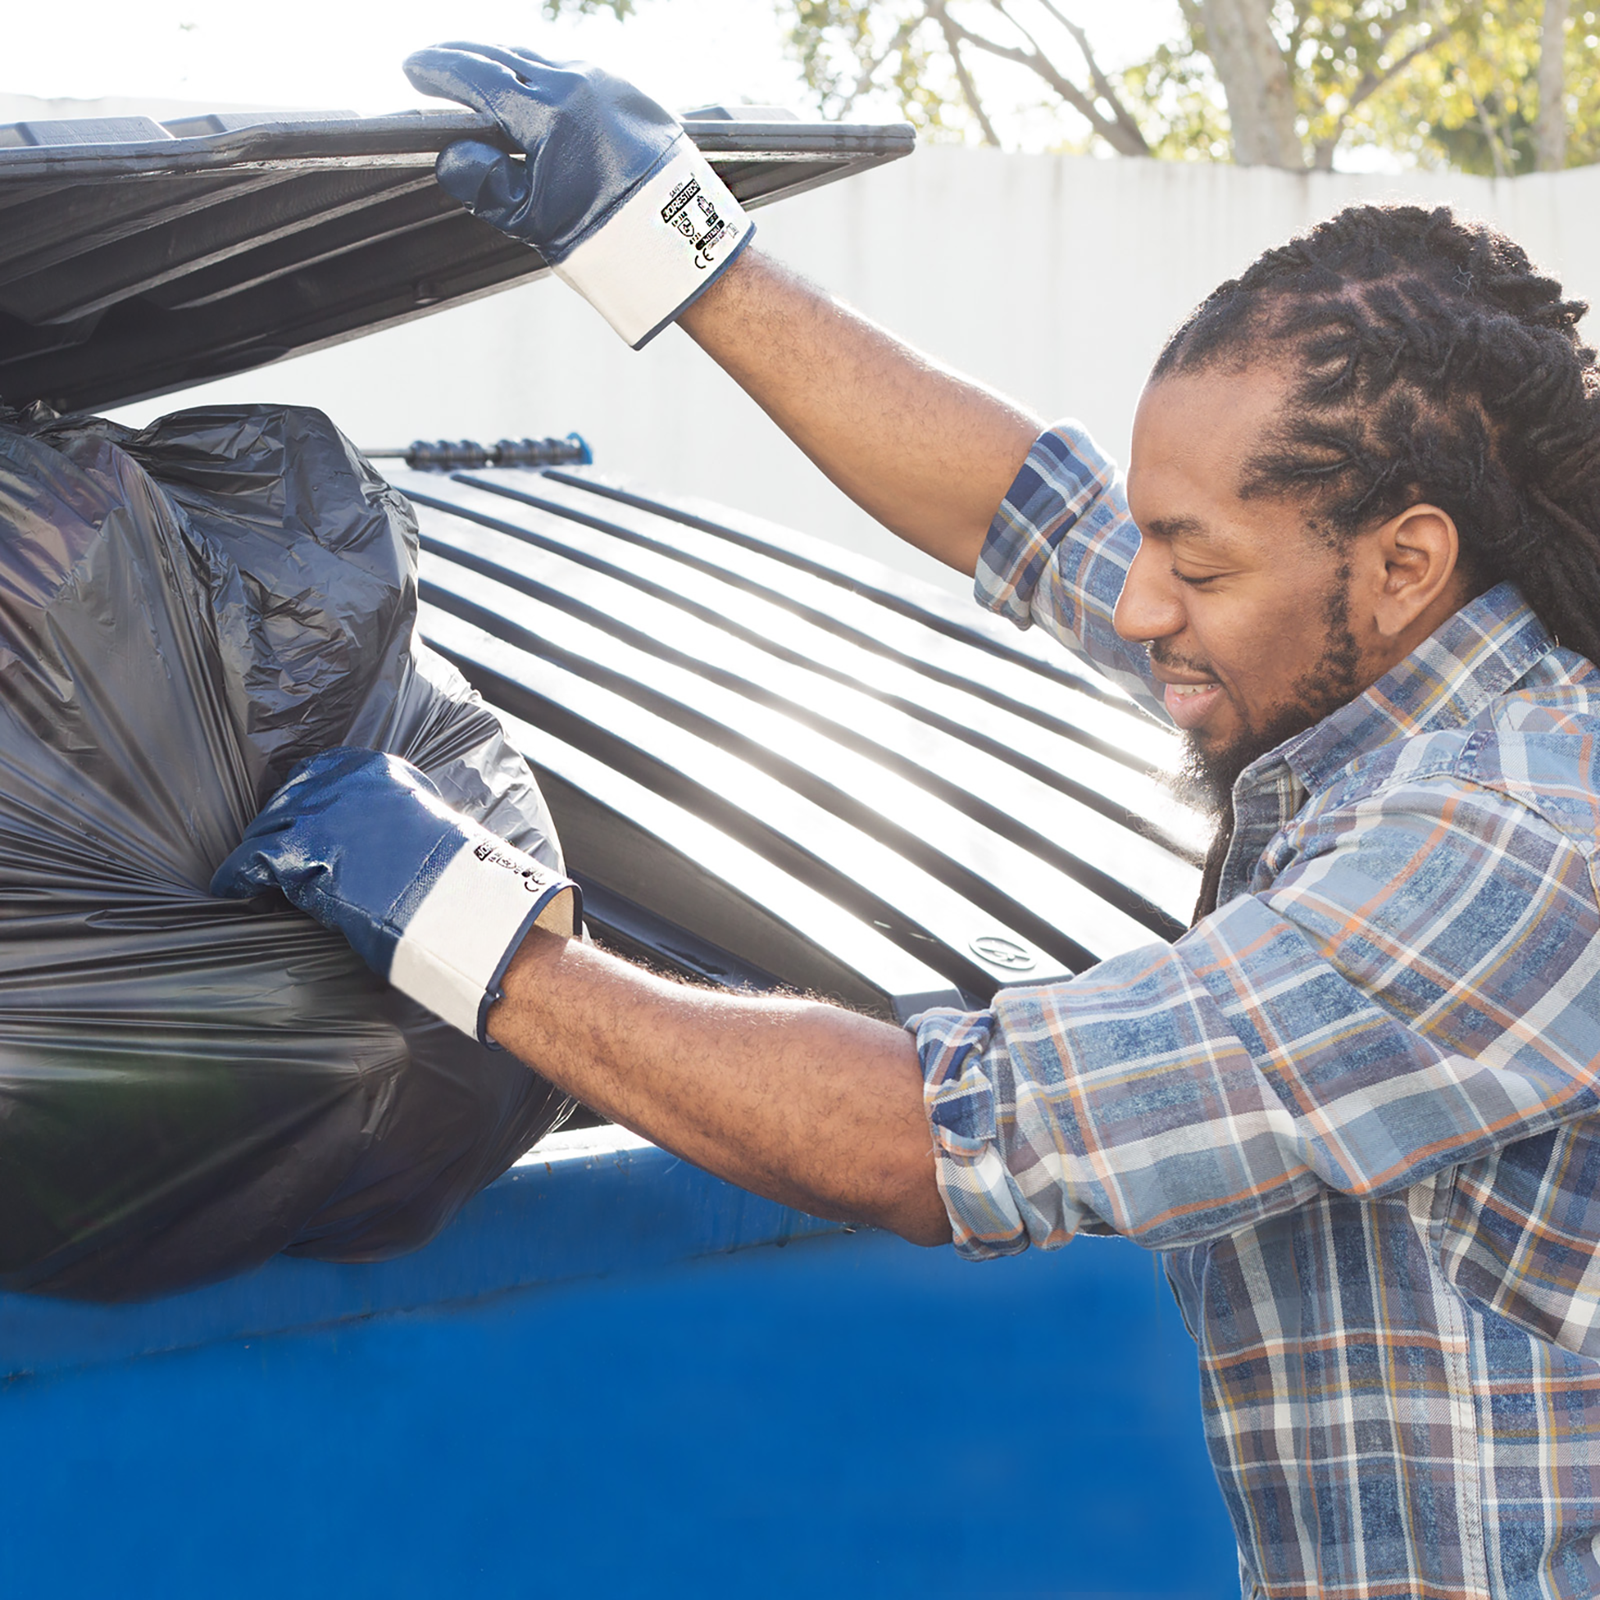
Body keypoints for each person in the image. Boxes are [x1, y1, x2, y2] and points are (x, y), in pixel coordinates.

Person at [211, 41, 1600, 1598]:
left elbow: (944, 1136)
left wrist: (470, 928)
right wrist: (670, 233)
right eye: (1154, 544)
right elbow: (1018, 501)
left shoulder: (1511, 847)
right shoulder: (1351, 675)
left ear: (1408, 563)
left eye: (1194, 569)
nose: (1137, 604)